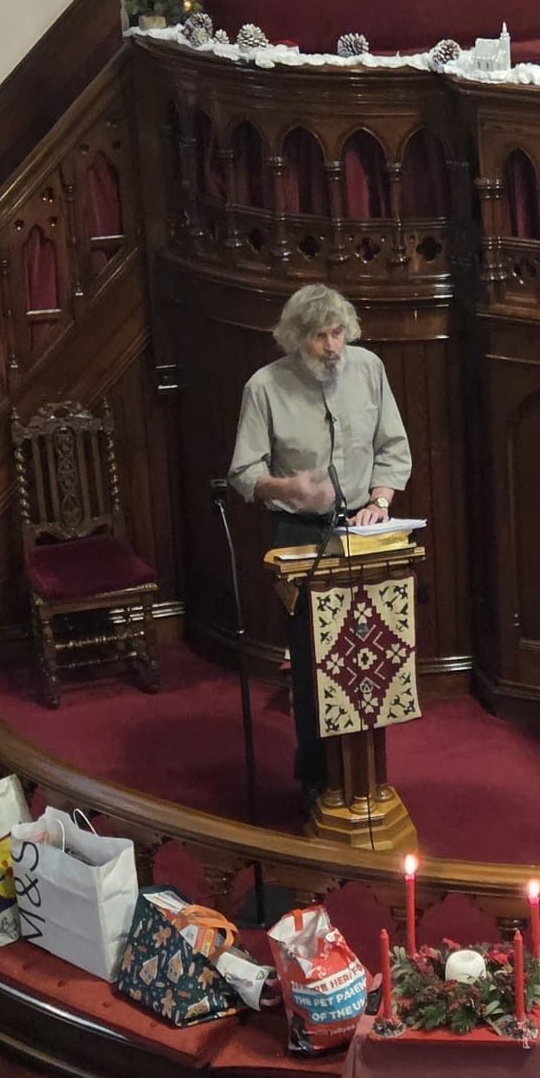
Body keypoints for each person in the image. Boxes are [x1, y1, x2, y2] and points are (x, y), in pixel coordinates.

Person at [229, 284, 412, 800]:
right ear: (294, 339)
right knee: (315, 662)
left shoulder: (369, 368)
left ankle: (369, 779)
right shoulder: (264, 387)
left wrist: (380, 496)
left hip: (363, 529)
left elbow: (392, 447)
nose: (332, 347)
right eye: (318, 338)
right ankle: (317, 778)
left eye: (337, 334)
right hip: (300, 535)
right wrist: (289, 489)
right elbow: (244, 473)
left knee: (374, 652)